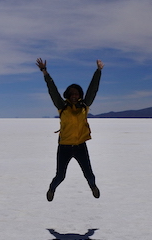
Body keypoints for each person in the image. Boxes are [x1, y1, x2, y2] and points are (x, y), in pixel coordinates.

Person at [37, 57, 104, 201]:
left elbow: (93, 89)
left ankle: (93, 187)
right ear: (68, 95)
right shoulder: (62, 107)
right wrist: (45, 72)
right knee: (60, 175)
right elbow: (52, 91)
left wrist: (98, 71)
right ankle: (52, 188)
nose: (74, 96)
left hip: (80, 145)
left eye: (77, 94)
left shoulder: (84, 106)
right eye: (72, 94)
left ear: (80, 95)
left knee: (89, 174)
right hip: (65, 146)